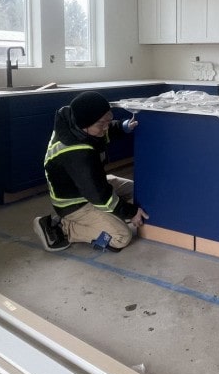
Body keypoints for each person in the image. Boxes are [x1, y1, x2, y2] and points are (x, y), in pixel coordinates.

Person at [34, 91, 148, 253]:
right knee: (121, 236)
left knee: (135, 189)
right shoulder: (76, 153)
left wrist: (123, 126)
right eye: (102, 124)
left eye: (108, 121)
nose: (106, 127)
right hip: (74, 204)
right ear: (84, 125)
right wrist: (131, 212)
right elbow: (99, 196)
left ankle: (104, 216)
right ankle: (63, 228)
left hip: (84, 184)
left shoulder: (77, 124)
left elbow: (102, 132)